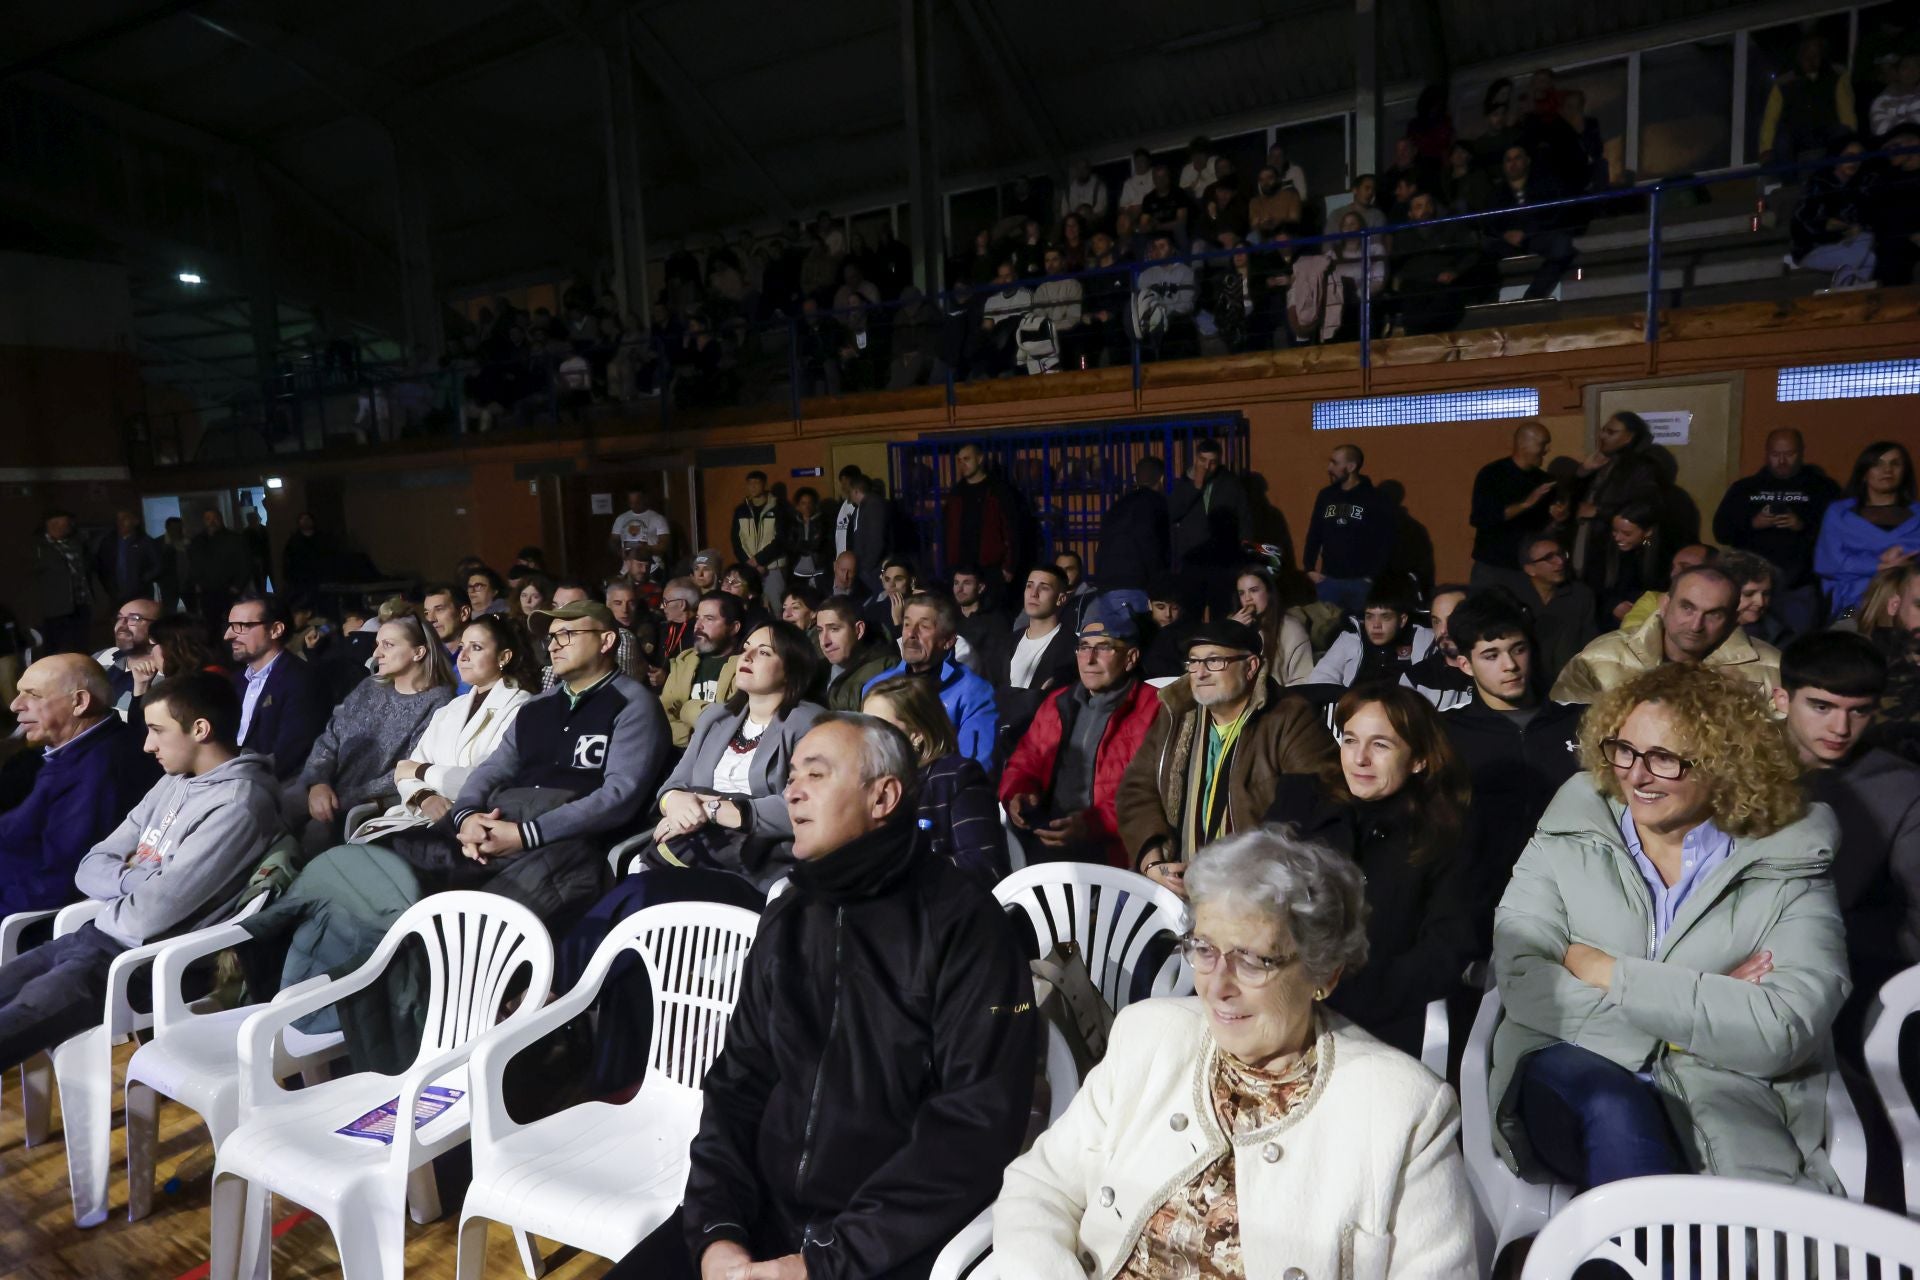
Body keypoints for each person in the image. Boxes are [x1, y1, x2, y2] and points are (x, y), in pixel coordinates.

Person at [614, 715, 1037, 1280]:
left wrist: (820, 1265)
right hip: (758, 1219)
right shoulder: (790, 915)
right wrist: (717, 1233)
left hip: (882, 1246)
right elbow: (737, 1085)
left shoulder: (967, 925)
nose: (791, 791)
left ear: (883, 796)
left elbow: (974, 1128)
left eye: (816, 774)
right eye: (790, 776)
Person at [993, 826, 1476, 1276]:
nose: (1217, 986)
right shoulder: (1150, 1037)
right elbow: (1040, 1187)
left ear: (1323, 974)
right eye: (1204, 948)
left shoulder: (1402, 1110)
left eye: (1251, 959)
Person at [1490, 663, 1850, 1191]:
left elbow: (1781, 1029)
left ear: (1726, 764)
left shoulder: (1789, 861)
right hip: (1567, 1061)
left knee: (1742, 1233)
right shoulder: (1570, 831)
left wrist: (1603, 968)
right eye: (1626, 751)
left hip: (1727, 1089)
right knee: (1613, 1106)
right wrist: (1701, 1016)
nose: (1635, 776)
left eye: (1664, 758)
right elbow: (1525, 979)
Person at [0, 672, 278, 1073]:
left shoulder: (238, 804)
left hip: (144, 962)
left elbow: (150, 915)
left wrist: (134, 880)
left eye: (156, 730)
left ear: (199, 729)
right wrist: (144, 879)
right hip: (97, 937)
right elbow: (90, 864)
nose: (147, 745)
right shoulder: (174, 779)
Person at [384, 600, 670, 922]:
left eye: (566, 634)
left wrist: (524, 834)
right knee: (388, 875)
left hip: (567, 840)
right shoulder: (536, 706)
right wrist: (465, 816)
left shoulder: (634, 705)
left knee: (471, 918)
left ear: (606, 641)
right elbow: (493, 769)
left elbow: (617, 797)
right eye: (551, 638)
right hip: (498, 818)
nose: (553, 646)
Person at [1265, 684, 1480, 1056]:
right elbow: (1252, 892)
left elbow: (1445, 948)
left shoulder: (1448, 833)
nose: (1359, 759)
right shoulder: (1301, 799)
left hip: (1374, 1019)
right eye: (1350, 741)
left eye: (1380, 745)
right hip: (1271, 994)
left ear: (1419, 759)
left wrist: (1342, 998)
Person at [1771, 632, 1920, 1045]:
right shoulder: (1734, 765)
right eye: (1822, 707)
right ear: (1783, 699)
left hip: (1847, 976)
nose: (1841, 727)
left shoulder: (1901, 788)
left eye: (1859, 712)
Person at [1117, 620, 1334, 895]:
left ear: (1251, 666)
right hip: (1177, 883)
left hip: (1255, 891)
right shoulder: (1177, 714)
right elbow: (1137, 788)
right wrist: (1153, 862)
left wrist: (1250, 878)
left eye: (1214, 661)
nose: (1200, 673)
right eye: (1193, 662)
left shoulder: (1289, 718)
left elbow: (1315, 803)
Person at [1440, 594, 1583, 903]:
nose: (1510, 666)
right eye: (1491, 656)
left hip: (1574, 887)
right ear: (1465, 664)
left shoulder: (1579, 721)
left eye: (1518, 650)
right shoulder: (1444, 733)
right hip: (1479, 895)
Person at [1001, 606, 1165, 870]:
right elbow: (1024, 760)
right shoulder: (1057, 702)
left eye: (1104, 648)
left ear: (1131, 657)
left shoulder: (1153, 709)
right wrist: (1019, 793)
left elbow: (1153, 794)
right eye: (1084, 647)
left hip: (1117, 853)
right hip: (1048, 842)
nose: (1089, 659)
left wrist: (1092, 825)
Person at [1, 654, 160, 914]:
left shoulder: (101, 769)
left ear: (80, 702)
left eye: (33, 695)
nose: (15, 705)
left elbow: (59, 881)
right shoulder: (70, 752)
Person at [293, 608, 457, 856]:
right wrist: (318, 782)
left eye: (388, 645)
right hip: (326, 789)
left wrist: (344, 797)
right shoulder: (369, 687)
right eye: (378, 644)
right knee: (268, 807)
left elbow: (408, 768)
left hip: (365, 806)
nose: (376, 653)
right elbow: (330, 738)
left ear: (418, 652)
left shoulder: (439, 702)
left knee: (312, 834)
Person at [368, 615, 537, 830]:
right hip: (420, 815)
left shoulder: (522, 708)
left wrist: (420, 771)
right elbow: (403, 775)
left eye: (476, 648)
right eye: (462, 647)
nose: (463, 656)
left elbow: (485, 780)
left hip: (478, 823)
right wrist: (424, 796)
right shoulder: (450, 709)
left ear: (503, 657)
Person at [1552, 565, 1781, 704]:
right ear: (1664, 605)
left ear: (1733, 619)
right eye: (1687, 608)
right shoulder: (1599, 658)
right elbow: (1560, 734)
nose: (1696, 625)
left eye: (1713, 615)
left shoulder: (1771, 669)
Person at [863, 674, 1003, 883]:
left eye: (878, 728)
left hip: (942, 909)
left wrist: (902, 868)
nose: (865, 738)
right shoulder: (865, 787)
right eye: (863, 726)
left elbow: (985, 866)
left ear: (916, 734)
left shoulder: (958, 777)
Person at [1713, 428, 1840, 636]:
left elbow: (1839, 536)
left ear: (1801, 452)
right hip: (1748, 587)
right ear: (1766, 453)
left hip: (1799, 587)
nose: (1782, 461)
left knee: (1797, 643)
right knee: (1744, 642)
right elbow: (1721, 531)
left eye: (1789, 454)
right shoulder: (1745, 488)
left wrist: (1802, 526)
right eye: (1775, 454)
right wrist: (1753, 523)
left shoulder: (1822, 488)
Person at [864, 592, 999, 768]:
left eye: (924, 627)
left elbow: (976, 767)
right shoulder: (875, 686)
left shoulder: (973, 692)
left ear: (948, 640)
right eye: (906, 624)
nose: (911, 633)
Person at [1815, 440, 1920, 619]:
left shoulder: (1917, 514)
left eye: (1895, 464)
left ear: (1905, 472)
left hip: (1908, 604)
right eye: (1878, 464)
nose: (1887, 470)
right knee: (1844, 628)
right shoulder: (1840, 513)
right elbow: (1828, 563)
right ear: (1864, 473)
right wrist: (1879, 566)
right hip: (1853, 605)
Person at [226, 594, 325, 782]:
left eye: (241, 626)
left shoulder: (302, 680)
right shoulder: (236, 681)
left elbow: (290, 754)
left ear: (275, 630)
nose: (229, 635)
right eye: (231, 626)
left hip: (270, 787)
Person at [1571, 412, 1667, 592]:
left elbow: (1648, 507)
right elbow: (1575, 500)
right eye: (1603, 430)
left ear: (1628, 437)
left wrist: (1599, 511)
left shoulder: (1641, 467)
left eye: (1611, 432)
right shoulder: (1601, 462)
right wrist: (1583, 471)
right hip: (1588, 545)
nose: (1602, 436)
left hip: (1616, 552)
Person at [987, 564, 1079, 743]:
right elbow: (989, 692)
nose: (1033, 593)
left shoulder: (1072, 648)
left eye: (1043, 588)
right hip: (998, 741)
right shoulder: (1004, 643)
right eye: (1029, 585)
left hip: (1041, 742)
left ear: (1061, 599)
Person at [1302, 444, 1395, 617]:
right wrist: (1309, 568)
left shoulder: (1374, 498)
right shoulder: (1326, 496)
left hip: (1361, 583)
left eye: (1334, 463)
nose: (1329, 468)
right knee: (1326, 632)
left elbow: (1385, 541)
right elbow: (1315, 532)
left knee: (1361, 631)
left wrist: (1372, 577)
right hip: (1328, 580)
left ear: (1351, 467)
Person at [1469, 422, 1561, 597]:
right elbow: (1481, 518)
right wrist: (1525, 504)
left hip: (1530, 570)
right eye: (1542, 443)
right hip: (1493, 566)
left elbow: (1546, 530)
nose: (1547, 449)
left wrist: (1558, 518)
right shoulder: (1492, 475)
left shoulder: (1544, 481)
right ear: (1523, 443)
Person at [1169, 438, 1250, 617]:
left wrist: (1242, 557)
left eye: (1212, 462)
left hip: (1222, 561)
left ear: (1219, 461)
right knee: (1190, 613)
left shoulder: (1231, 483)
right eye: (1202, 461)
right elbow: (1173, 513)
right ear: (1195, 459)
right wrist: (1196, 486)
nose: (1207, 466)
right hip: (1193, 560)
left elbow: (1244, 520)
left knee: (1221, 611)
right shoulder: (1183, 483)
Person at [1483, 145, 1576, 300]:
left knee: (1563, 245)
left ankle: (1532, 295)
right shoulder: (1496, 193)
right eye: (1508, 160)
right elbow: (1489, 222)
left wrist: (1528, 232)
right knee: (1484, 251)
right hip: (1506, 243)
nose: (1513, 164)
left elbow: (1558, 212)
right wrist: (1505, 234)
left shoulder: (1546, 183)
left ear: (1527, 161)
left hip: (1537, 236)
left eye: (1517, 158)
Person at [1307, 580, 1436, 687]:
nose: (1376, 625)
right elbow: (1321, 678)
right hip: (1354, 711)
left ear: (1402, 620)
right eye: (1369, 617)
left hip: (1403, 712)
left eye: (1385, 617)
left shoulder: (1423, 641)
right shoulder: (1351, 638)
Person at [660, 592, 745, 749]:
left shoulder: (746, 667)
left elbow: (730, 724)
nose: (698, 625)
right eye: (698, 618)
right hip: (679, 753)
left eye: (709, 619)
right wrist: (692, 736)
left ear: (733, 628)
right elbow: (665, 716)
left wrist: (686, 710)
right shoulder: (683, 661)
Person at [1759, 33, 1858, 164]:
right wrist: (1766, 149)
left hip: (1826, 133)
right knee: (1782, 140)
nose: (1811, 59)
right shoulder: (1784, 84)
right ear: (1799, 56)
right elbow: (1770, 119)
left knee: (1842, 132)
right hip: (1797, 137)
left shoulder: (1836, 78)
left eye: (1815, 54)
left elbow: (1846, 112)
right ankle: (1789, 183)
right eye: (1807, 54)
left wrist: (1853, 141)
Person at [944, 442, 1025, 592]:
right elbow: (946, 531)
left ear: (980, 459)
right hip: (961, 567)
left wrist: (1009, 566)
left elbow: (1012, 530)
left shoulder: (998, 491)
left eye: (967, 459)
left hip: (991, 568)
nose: (962, 464)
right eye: (959, 460)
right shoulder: (955, 494)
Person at [1518, 536, 1597, 684]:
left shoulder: (1580, 595)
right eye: (1549, 558)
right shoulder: (1514, 597)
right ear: (1530, 569)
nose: (1560, 562)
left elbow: (1590, 641)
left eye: (1561, 554)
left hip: (1569, 682)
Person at [1230, 565, 1313, 685]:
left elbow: (1302, 678)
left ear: (1268, 592)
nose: (1247, 599)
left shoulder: (1290, 628)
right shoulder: (1232, 623)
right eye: (1242, 593)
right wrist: (1230, 631)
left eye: (1254, 590)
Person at [816, 595, 894, 712]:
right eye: (820, 631)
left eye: (834, 629)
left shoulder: (885, 670)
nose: (824, 641)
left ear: (859, 630)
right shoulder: (816, 673)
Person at [31, 510, 93, 655]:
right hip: (56, 608)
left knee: (80, 645)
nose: (66, 527)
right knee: (57, 647)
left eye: (67, 524)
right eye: (62, 524)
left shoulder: (77, 543)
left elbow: (89, 567)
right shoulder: (39, 546)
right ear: (50, 525)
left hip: (81, 604)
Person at [729, 471, 793, 610]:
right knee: (751, 607)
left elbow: (781, 539)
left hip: (773, 567)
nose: (753, 487)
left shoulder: (778, 508)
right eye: (750, 483)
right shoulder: (741, 510)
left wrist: (759, 560)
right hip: (750, 568)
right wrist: (751, 564)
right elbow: (736, 540)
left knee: (778, 608)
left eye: (756, 483)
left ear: (764, 484)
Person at [1597, 500, 1665, 626]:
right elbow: (1593, 588)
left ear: (1648, 532)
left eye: (1626, 534)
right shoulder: (1604, 550)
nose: (1617, 538)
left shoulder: (1662, 556)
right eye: (1615, 531)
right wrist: (1613, 605)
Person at [187, 508, 254, 631]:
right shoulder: (197, 541)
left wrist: (238, 586)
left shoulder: (234, 539)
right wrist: (196, 583)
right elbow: (192, 563)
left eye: (215, 518)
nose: (212, 522)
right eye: (208, 519)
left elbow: (245, 563)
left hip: (229, 589)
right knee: (210, 624)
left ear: (221, 519)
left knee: (231, 621)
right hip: (206, 590)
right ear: (204, 521)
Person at [92, 597, 162, 712]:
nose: (122, 624)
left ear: (158, 628)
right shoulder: (102, 657)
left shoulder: (167, 674)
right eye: (119, 618)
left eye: (134, 618)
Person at [94, 510, 161, 608]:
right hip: (116, 594)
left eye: (125, 518)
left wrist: (142, 580)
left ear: (135, 521)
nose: (120, 522)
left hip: (140, 593)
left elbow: (157, 565)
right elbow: (102, 566)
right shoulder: (108, 542)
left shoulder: (145, 542)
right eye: (118, 519)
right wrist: (108, 586)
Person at [610, 487, 670, 580]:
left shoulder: (658, 518)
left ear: (645, 499)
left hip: (652, 569)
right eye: (631, 502)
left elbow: (664, 545)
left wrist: (645, 549)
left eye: (637, 502)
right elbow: (613, 541)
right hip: (628, 569)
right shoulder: (621, 519)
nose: (633, 506)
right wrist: (620, 552)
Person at [847, 472, 892, 594]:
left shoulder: (873, 505)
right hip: (867, 566)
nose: (849, 495)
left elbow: (875, 538)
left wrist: (867, 566)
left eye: (850, 491)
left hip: (872, 568)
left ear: (856, 491)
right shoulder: (864, 506)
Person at [787, 486, 833, 593]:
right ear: (798, 506)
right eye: (803, 503)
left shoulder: (823, 523)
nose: (807, 507)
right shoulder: (793, 524)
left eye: (810, 503)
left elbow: (821, 545)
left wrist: (806, 546)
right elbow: (791, 546)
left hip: (818, 568)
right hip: (797, 570)